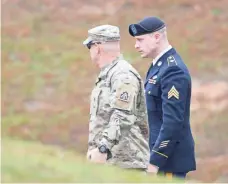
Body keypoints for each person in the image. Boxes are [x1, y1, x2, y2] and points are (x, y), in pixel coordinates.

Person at [128, 16, 196, 178]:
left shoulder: (173, 70)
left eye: (140, 40)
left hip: (168, 162)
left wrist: (155, 160)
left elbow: (172, 122)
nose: (136, 45)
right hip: (158, 158)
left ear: (157, 37)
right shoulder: (159, 65)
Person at [83, 24, 150, 170]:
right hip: (111, 163)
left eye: (90, 46)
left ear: (97, 47)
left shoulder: (123, 75)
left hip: (126, 164)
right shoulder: (109, 75)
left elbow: (122, 116)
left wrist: (103, 148)